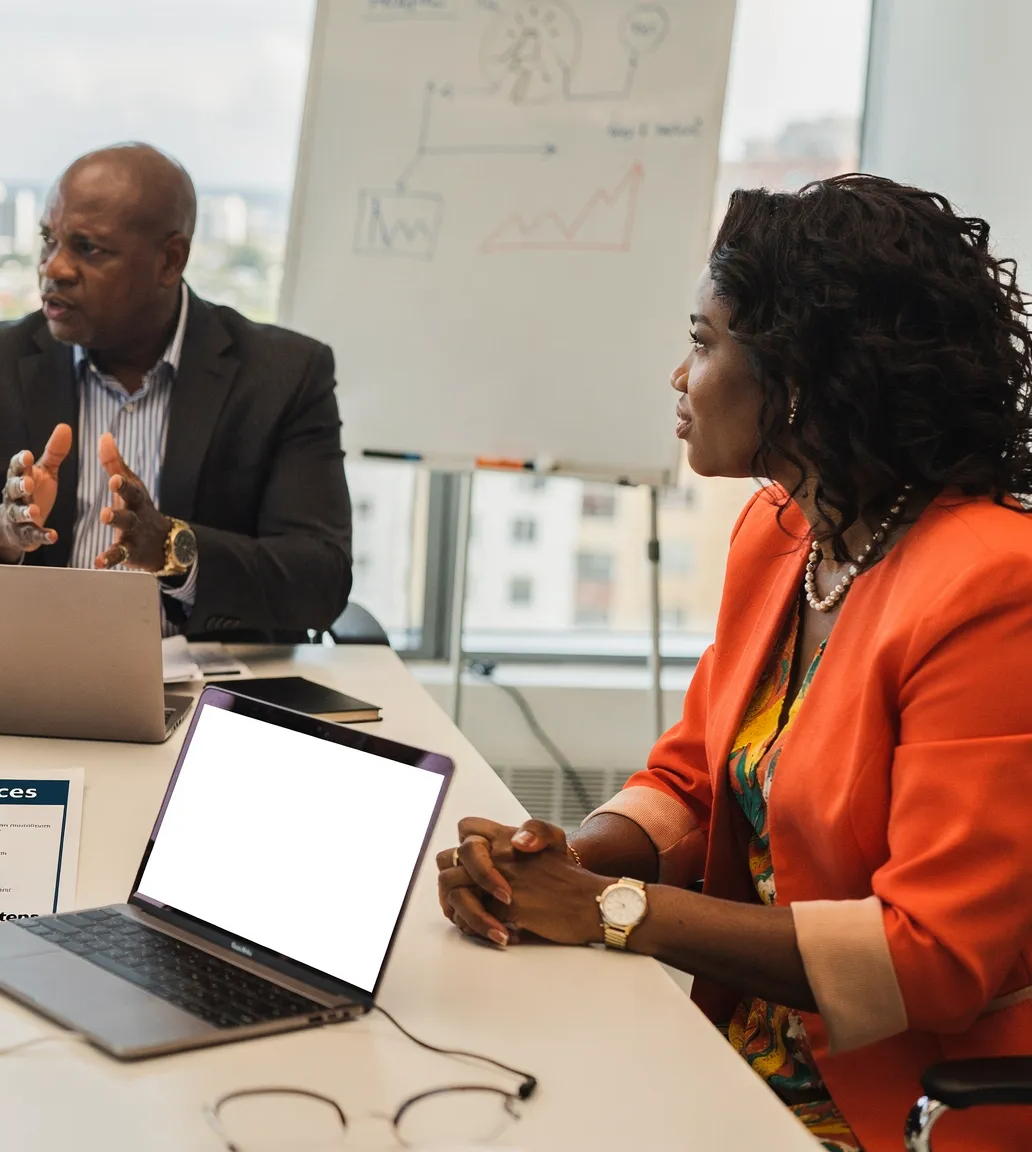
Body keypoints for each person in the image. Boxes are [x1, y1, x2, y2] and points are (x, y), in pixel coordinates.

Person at [435, 175, 1032, 1151]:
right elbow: (690, 781)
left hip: (884, 1102)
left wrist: (609, 910)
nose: (680, 378)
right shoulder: (779, 531)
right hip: (734, 1042)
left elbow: (927, 955)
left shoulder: (988, 587)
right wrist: (549, 867)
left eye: (704, 343)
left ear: (794, 380)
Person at [0, 143, 352, 638]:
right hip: (23, 688)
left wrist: (173, 548)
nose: (54, 268)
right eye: (49, 241)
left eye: (88, 248)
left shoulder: (282, 376)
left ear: (169, 261)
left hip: (207, 689)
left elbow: (319, 581)